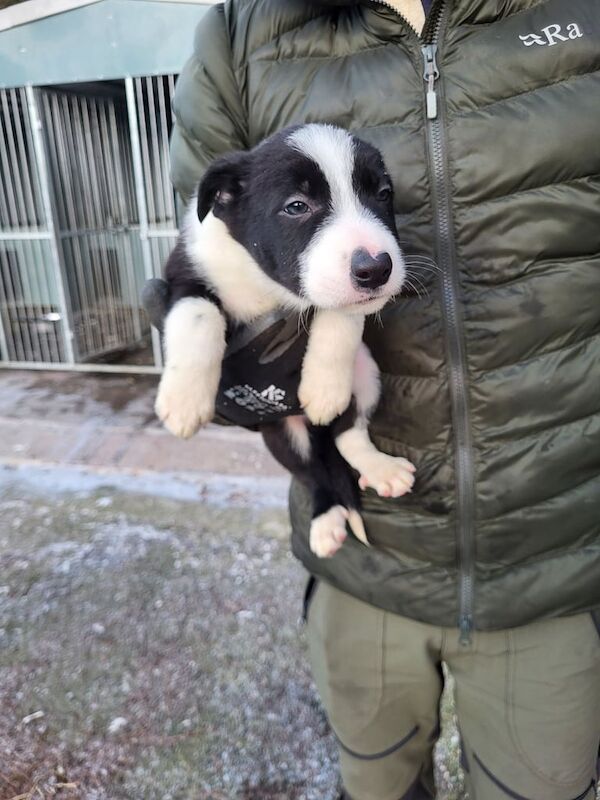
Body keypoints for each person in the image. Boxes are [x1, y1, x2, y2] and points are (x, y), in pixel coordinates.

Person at [150, 1, 600, 798]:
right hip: (366, 563)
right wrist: (217, 363)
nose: (370, 239)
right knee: (380, 781)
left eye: (374, 197)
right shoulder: (242, 33)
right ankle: (339, 480)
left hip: (559, 557)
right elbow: (199, 255)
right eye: (305, 204)